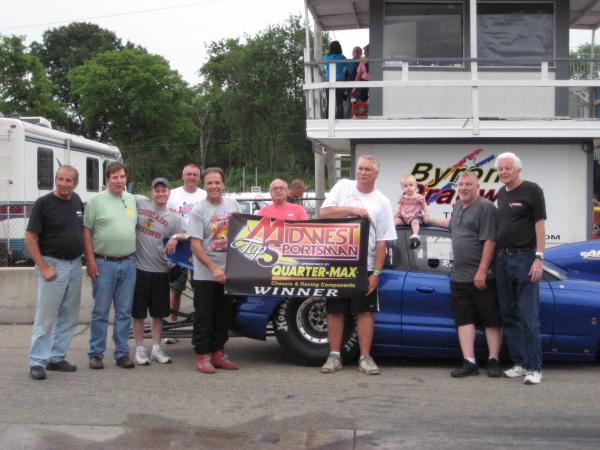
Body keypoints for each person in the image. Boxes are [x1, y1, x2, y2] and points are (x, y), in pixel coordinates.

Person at [319, 155, 396, 375]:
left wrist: (377, 273)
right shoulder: (343, 186)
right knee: (334, 311)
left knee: (364, 313)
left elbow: (383, 240)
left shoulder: (382, 201)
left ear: (376, 174)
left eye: (368, 170)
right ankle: (334, 356)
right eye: (360, 168)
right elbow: (324, 213)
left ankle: (365, 358)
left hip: (366, 265)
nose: (363, 173)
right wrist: (352, 210)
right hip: (338, 260)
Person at [430, 171, 503, 378]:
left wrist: (482, 270)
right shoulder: (458, 206)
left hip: (482, 277)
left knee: (491, 320)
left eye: (468, 184)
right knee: (464, 320)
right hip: (459, 276)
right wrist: (425, 219)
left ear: (477, 186)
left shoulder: (487, 208)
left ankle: (493, 360)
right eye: (460, 184)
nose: (463, 188)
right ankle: (469, 362)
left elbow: (490, 241)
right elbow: (452, 226)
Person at [26, 166, 84, 380]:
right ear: (55, 180)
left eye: (68, 180)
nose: (64, 184)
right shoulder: (43, 203)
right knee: (46, 317)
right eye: (60, 179)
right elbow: (30, 238)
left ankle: (56, 357)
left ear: (75, 183)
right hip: (52, 264)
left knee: (69, 315)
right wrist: (43, 267)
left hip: (75, 264)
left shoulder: (77, 201)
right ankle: (37, 361)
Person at [495, 152, 547, 385]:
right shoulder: (501, 194)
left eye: (507, 168)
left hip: (525, 259)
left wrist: (539, 258)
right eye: (500, 169)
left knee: (529, 317)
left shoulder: (532, 190)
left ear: (518, 169)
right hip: (502, 260)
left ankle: (535, 368)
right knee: (509, 314)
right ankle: (520, 363)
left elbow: (540, 224)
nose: (503, 172)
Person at [84, 162, 138, 370]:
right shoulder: (95, 202)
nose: (119, 181)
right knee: (101, 311)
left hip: (128, 263)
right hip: (103, 263)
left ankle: (122, 353)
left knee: (124, 312)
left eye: (122, 177)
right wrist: (89, 261)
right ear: (107, 179)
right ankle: (96, 353)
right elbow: (86, 231)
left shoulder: (131, 199)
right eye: (114, 177)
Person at [188, 167, 240, 374]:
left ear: (223, 185)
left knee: (224, 315)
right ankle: (203, 356)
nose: (213, 187)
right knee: (204, 315)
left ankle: (218, 353)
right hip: (206, 274)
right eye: (209, 183)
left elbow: (241, 234)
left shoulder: (233, 204)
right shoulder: (199, 210)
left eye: (217, 182)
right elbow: (195, 245)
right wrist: (213, 268)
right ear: (204, 185)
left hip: (229, 272)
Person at [132, 178, 186, 366]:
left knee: (158, 314)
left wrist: (175, 236)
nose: (160, 194)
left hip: (162, 271)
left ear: (169, 193)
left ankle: (156, 349)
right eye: (157, 190)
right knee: (138, 313)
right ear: (151, 192)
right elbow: (121, 194)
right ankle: (139, 350)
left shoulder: (174, 218)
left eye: (164, 191)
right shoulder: (140, 203)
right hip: (139, 269)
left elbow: (188, 235)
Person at [165, 163, 207, 340]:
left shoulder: (205, 195)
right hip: (177, 245)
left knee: (202, 288)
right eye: (188, 174)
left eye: (195, 175)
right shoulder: (173, 194)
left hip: (200, 245)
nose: (191, 177)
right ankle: (172, 325)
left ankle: (202, 325)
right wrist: (173, 236)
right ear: (183, 176)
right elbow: (165, 217)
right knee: (175, 287)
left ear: (199, 177)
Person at [394, 174, 429, 249]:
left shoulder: (419, 197)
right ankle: (390, 231)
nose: (408, 187)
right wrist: (394, 217)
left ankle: (415, 235)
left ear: (415, 186)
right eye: (405, 186)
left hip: (415, 216)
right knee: (396, 221)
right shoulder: (402, 198)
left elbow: (425, 206)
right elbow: (399, 209)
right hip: (403, 217)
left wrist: (426, 215)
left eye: (410, 185)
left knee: (415, 222)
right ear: (402, 188)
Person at [323, 40, 347, 119]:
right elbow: (347, 69)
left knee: (329, 103)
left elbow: (324, 69)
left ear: (330, 48)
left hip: (329, 81)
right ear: (339, 48)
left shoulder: (326, 58)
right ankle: (340, 120)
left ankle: (328, 120)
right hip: (340, 81)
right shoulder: (342, 57)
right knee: (339, 103)